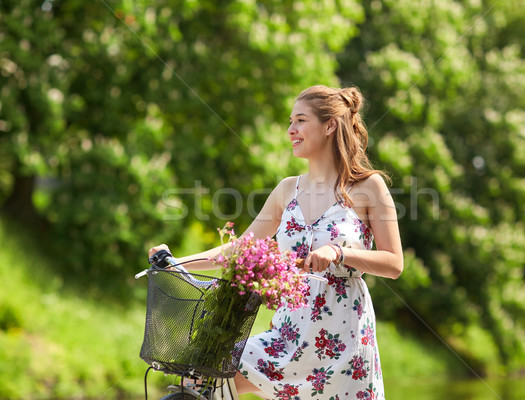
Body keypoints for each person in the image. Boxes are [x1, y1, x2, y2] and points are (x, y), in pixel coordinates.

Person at [149, 85, 403, 399]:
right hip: (288, 333)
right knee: (202, 380)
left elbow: (394, 263)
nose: (290, 130)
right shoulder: (287, 190)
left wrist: (339, 252)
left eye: (300, 121)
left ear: (329, 125)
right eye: (290, 122)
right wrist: (175, 262)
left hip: (344, 340)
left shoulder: (368, 187)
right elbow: (240, 249)